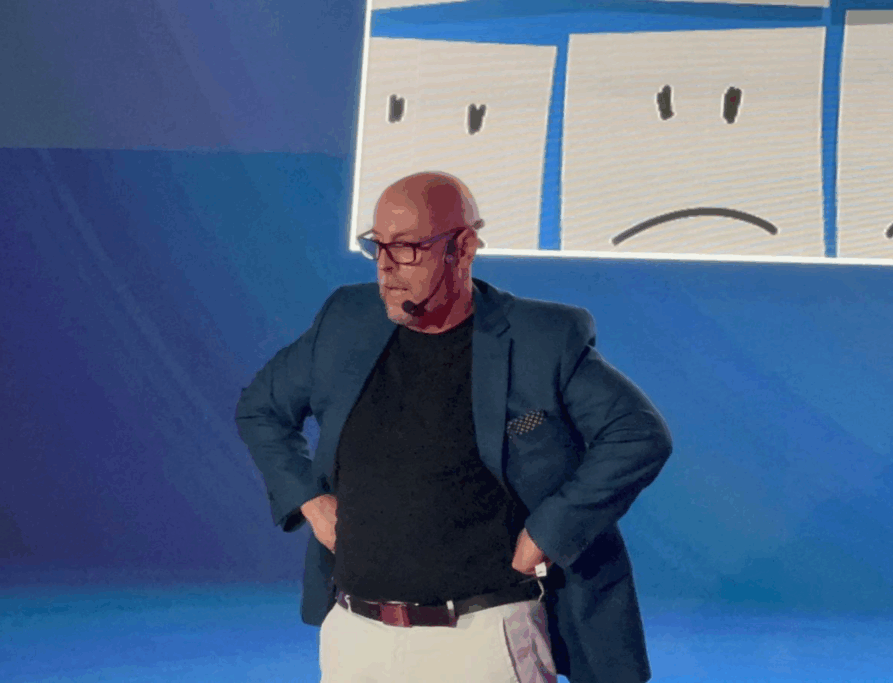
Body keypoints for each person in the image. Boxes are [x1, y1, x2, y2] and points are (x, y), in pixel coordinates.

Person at [235, 172, 673, 683]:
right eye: (376, 246)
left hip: (484, 637)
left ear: (462, 248)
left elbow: (638, 434)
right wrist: (309, 499)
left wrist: (549, 531)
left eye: (407, 249)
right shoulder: (346, 321)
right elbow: (260, 409)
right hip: (356, 635)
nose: (385, 268)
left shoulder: (541, 339)